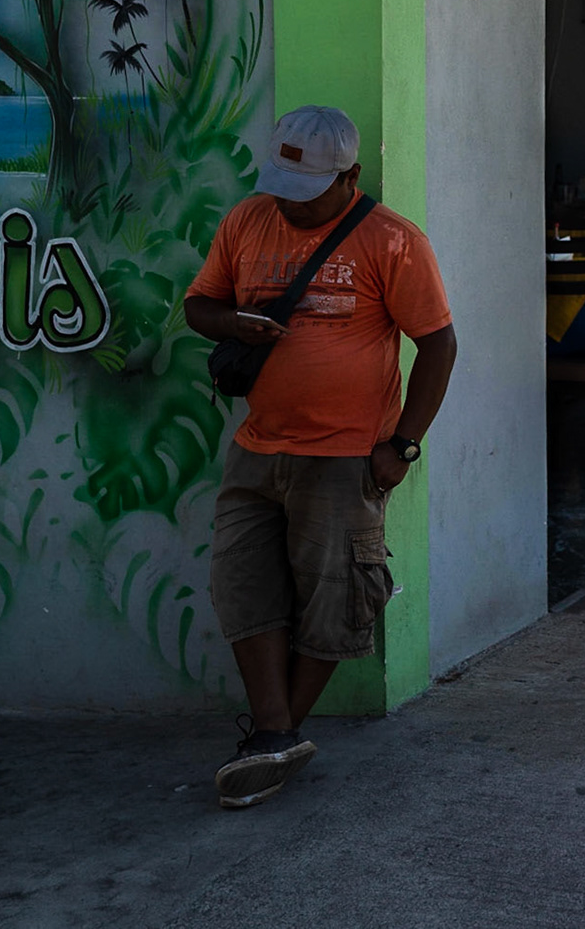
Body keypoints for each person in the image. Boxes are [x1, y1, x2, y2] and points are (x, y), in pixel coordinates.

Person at [185, 105, 458, 809]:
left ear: (350, 177)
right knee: (242, 586)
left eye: (306, 193)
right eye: (281, 188)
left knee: (337, 599)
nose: (290, 205)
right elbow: (199, 306)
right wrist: (233, 322)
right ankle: (275, 737)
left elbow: (438, 344)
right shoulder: (246, 221)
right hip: (257, 449)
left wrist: (403, 445)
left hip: (346, 457)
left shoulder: (394, 241)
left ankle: (270, 740)